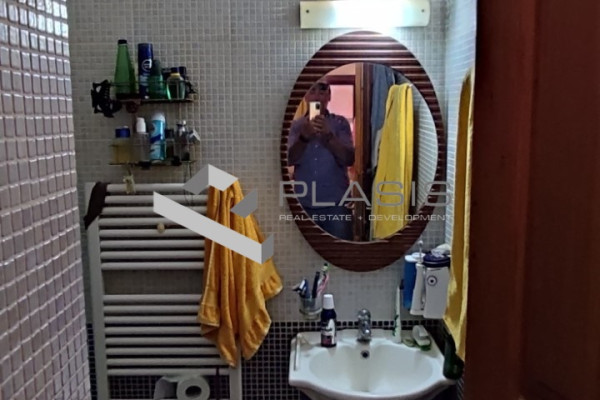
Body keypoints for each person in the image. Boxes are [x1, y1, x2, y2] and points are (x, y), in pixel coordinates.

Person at [287, 81, 355, 240]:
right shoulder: (296, 127)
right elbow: (289, 160)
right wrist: (303, 138)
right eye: (312, 91)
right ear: (305, 96)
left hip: (337, 205)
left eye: (322, 91)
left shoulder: (340, 124)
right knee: (303, 251)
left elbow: (349, 159)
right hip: (305, 205)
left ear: (329, 96)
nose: (317, 96)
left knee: (341, 251)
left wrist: (329, 136)